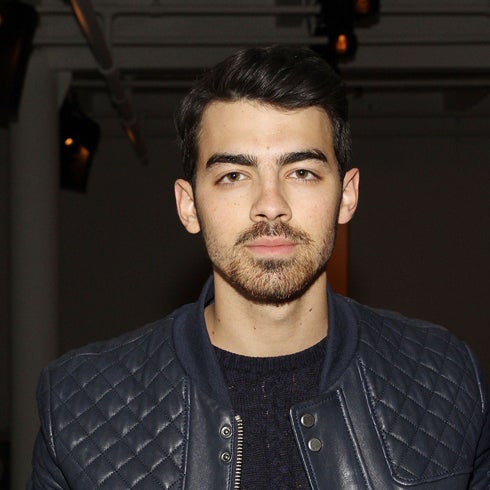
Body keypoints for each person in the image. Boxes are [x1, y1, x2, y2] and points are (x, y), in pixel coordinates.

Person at [29, 45, 488, 489]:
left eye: (302, 172)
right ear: (188, 206)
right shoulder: (80, 407)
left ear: (347, 196)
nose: (270, 205)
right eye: (233, 175)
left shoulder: (446, 381)